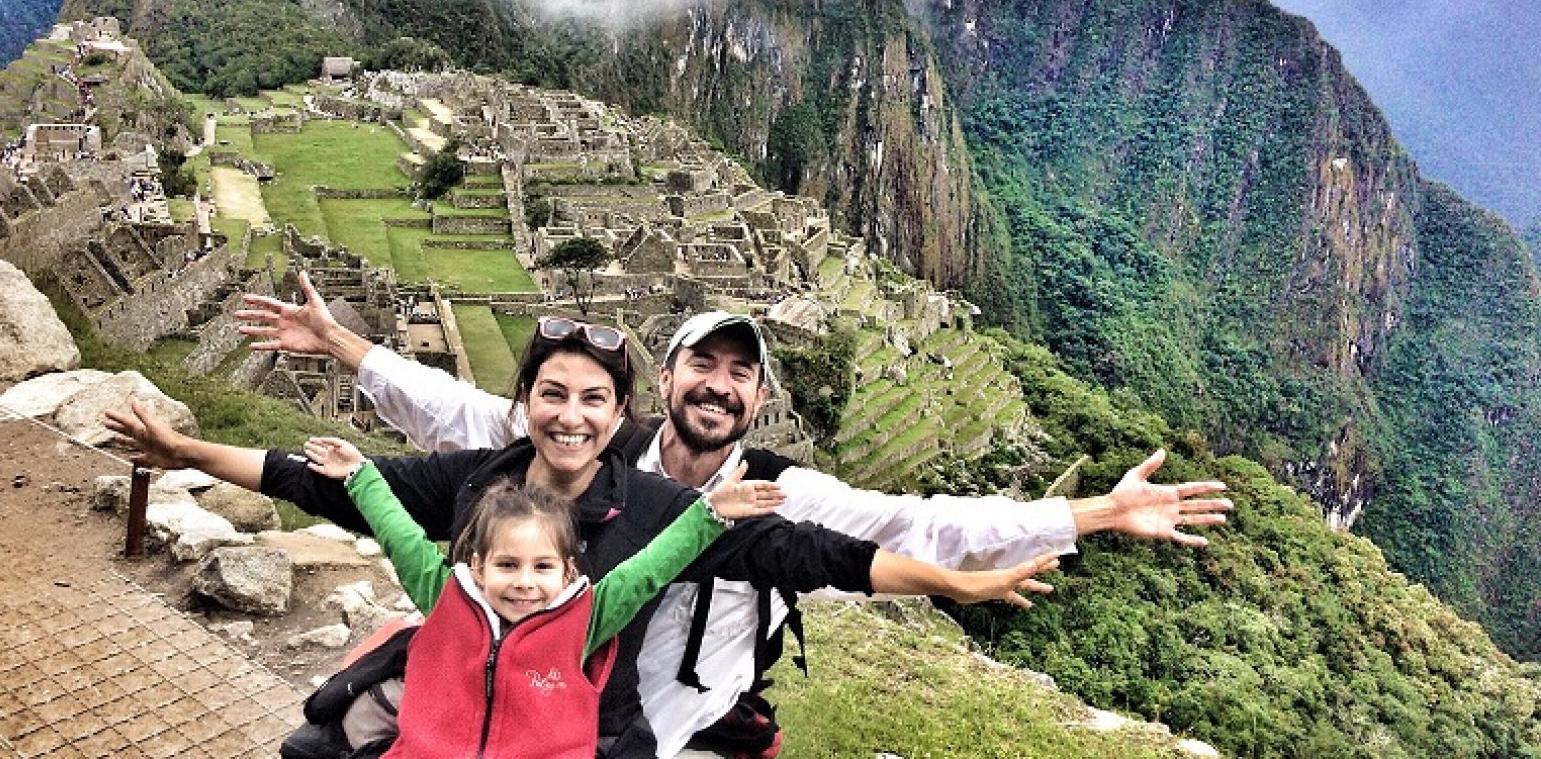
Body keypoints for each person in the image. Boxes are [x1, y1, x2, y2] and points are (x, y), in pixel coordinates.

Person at [234, 277, 1231, 757]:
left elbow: (926, 520)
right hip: (568, 704)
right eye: (701, 366)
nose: (717, 387)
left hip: (682, 718)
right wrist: (346, 345)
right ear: (664, 381)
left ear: (758, 398)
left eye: (738, 373)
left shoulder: (776, 495)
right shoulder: (597, 450)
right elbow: (459, 412)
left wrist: (1096, 510)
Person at [104, 314, 1061, 758]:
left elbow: (819, 555)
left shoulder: (658, 515)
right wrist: (181, 446)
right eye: (551, 395)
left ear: (619, 414)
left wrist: (956, 584)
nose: (569, 415)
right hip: (452, 709)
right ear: (523, 405)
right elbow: (334, 487)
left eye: (592, 399)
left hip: (582, 733)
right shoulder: (476, 478)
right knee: (314, 747)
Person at [298, 435, 783, 759]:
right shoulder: (446, 598)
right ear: (478, 566)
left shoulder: (585, 618)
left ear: (568, 571)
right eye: (507, 565)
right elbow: (401, 537)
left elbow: (649, 570)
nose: (525, 582)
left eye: (543, 567)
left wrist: (710, 515)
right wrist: (360, 475)